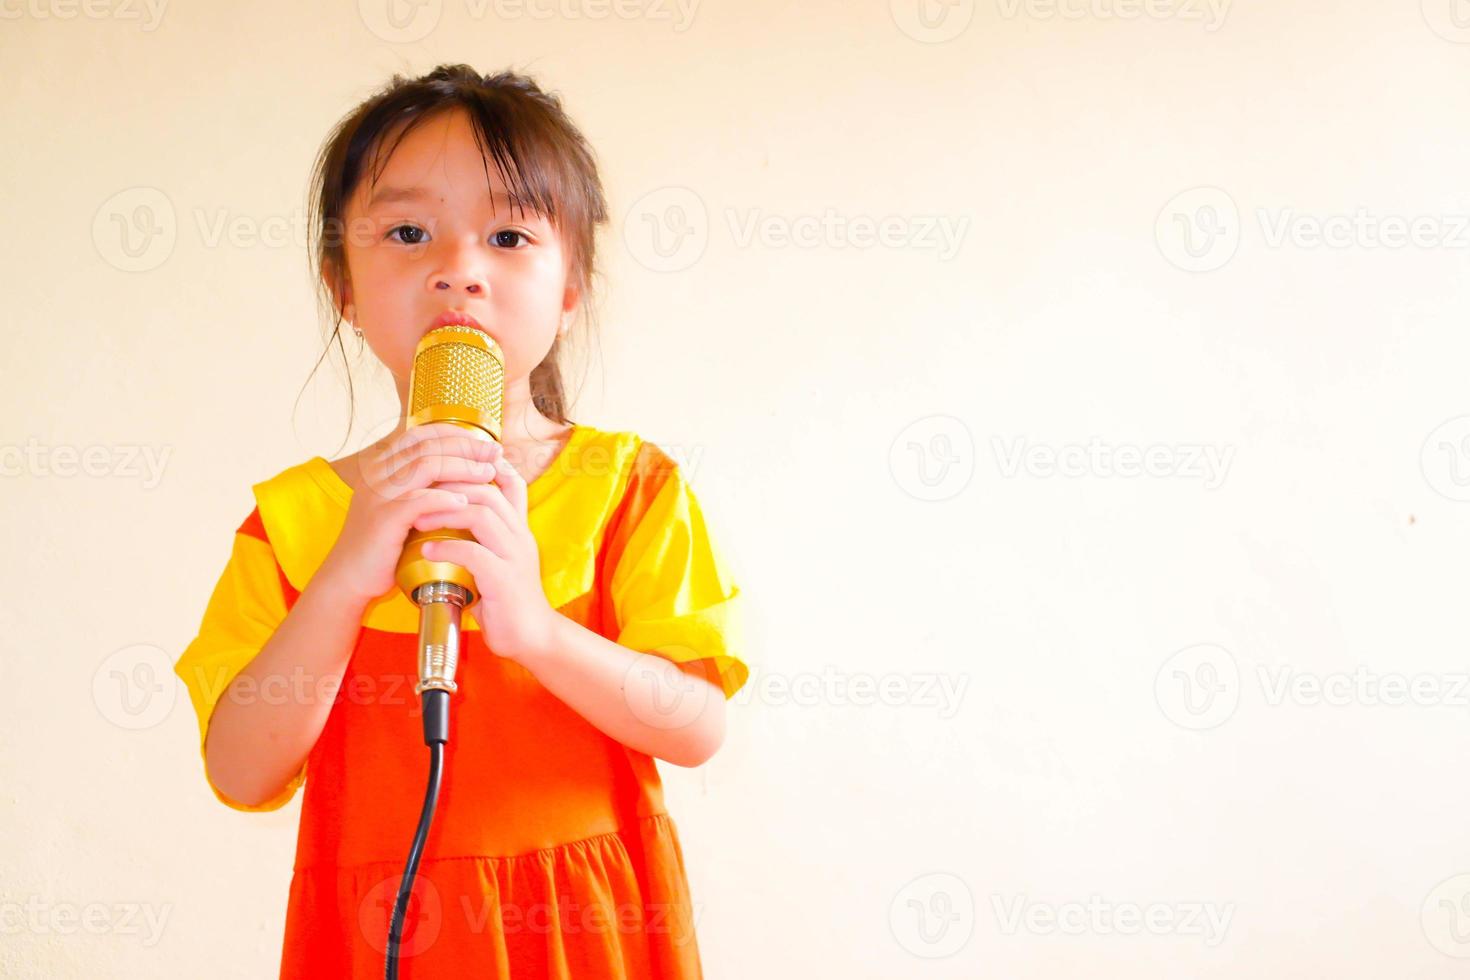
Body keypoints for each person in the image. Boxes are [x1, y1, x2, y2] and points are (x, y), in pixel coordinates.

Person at [172, 64, 749, 978]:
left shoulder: (628, 486)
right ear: (344, 288)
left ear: (571, 287)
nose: (458, 272)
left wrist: (537, 631)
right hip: (380, 932)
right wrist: (346, 576)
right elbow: (241, 771)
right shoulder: (294, 519)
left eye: (510, 235)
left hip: (579, 930)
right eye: (408, 233)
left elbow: (694, 726)